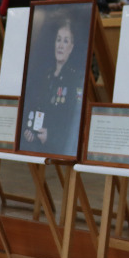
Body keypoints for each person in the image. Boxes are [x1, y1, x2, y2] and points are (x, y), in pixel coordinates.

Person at [21, 16, 85, 155]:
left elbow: (70, 121)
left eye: (65, 41)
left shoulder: (74, 79)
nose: (60, 45)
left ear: (71, 47)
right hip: (36, 146)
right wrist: (30, 131)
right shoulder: (46, 75)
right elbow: (35, 107)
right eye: (58, 40)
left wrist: (50, 137)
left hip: (58, 148)